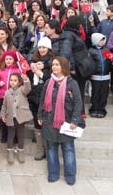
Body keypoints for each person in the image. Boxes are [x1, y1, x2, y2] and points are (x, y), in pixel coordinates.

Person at [38, 56, 83, 185]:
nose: (54, 67)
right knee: (51, 148)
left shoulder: (71, 83)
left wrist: (75, 120)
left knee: (68, 149)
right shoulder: (48, 82)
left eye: (57, 65)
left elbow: (78, 103)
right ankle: (53, 174)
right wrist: (40, 116)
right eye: (53, 65)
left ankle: (70, 176)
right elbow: (42, 100)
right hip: (49, 121)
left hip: (66, 122)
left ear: (64, 66)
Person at [27, 36, 53, 160]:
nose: (42, 49)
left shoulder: (52, 61)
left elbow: (51, 79)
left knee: (46, 122)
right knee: (37, 123)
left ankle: (48, 149)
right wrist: (32, 68)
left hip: (46, 95)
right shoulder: (34, 60)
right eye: (40, 47)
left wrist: (40, 73)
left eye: (44, 47)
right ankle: (39, 149)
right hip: (34, 95)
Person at [0, 73, 32, 164]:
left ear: (19, 82)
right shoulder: (7, 92)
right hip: (10, 117)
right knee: (10, 135)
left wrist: (26, 80)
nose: (12, 82)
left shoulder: (22, 90)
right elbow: (4, 105)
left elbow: (27, 88)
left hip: (20, 117)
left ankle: (20, 151)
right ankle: (9, 151)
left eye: (15, 80)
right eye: (11, 80)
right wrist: (3, 115)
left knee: (20, 135)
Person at [88, 33, 112, 118]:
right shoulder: (91, 51)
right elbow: (89, 63)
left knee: (104, 93)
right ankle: (94, 108)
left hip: (105, 76)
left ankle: (101, 109)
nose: (102, 42)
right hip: (95, 76)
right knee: (95, 93)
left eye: (103, 40)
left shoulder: (106, 50)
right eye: (101, 40)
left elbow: (110, 60)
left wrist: (112, 61)